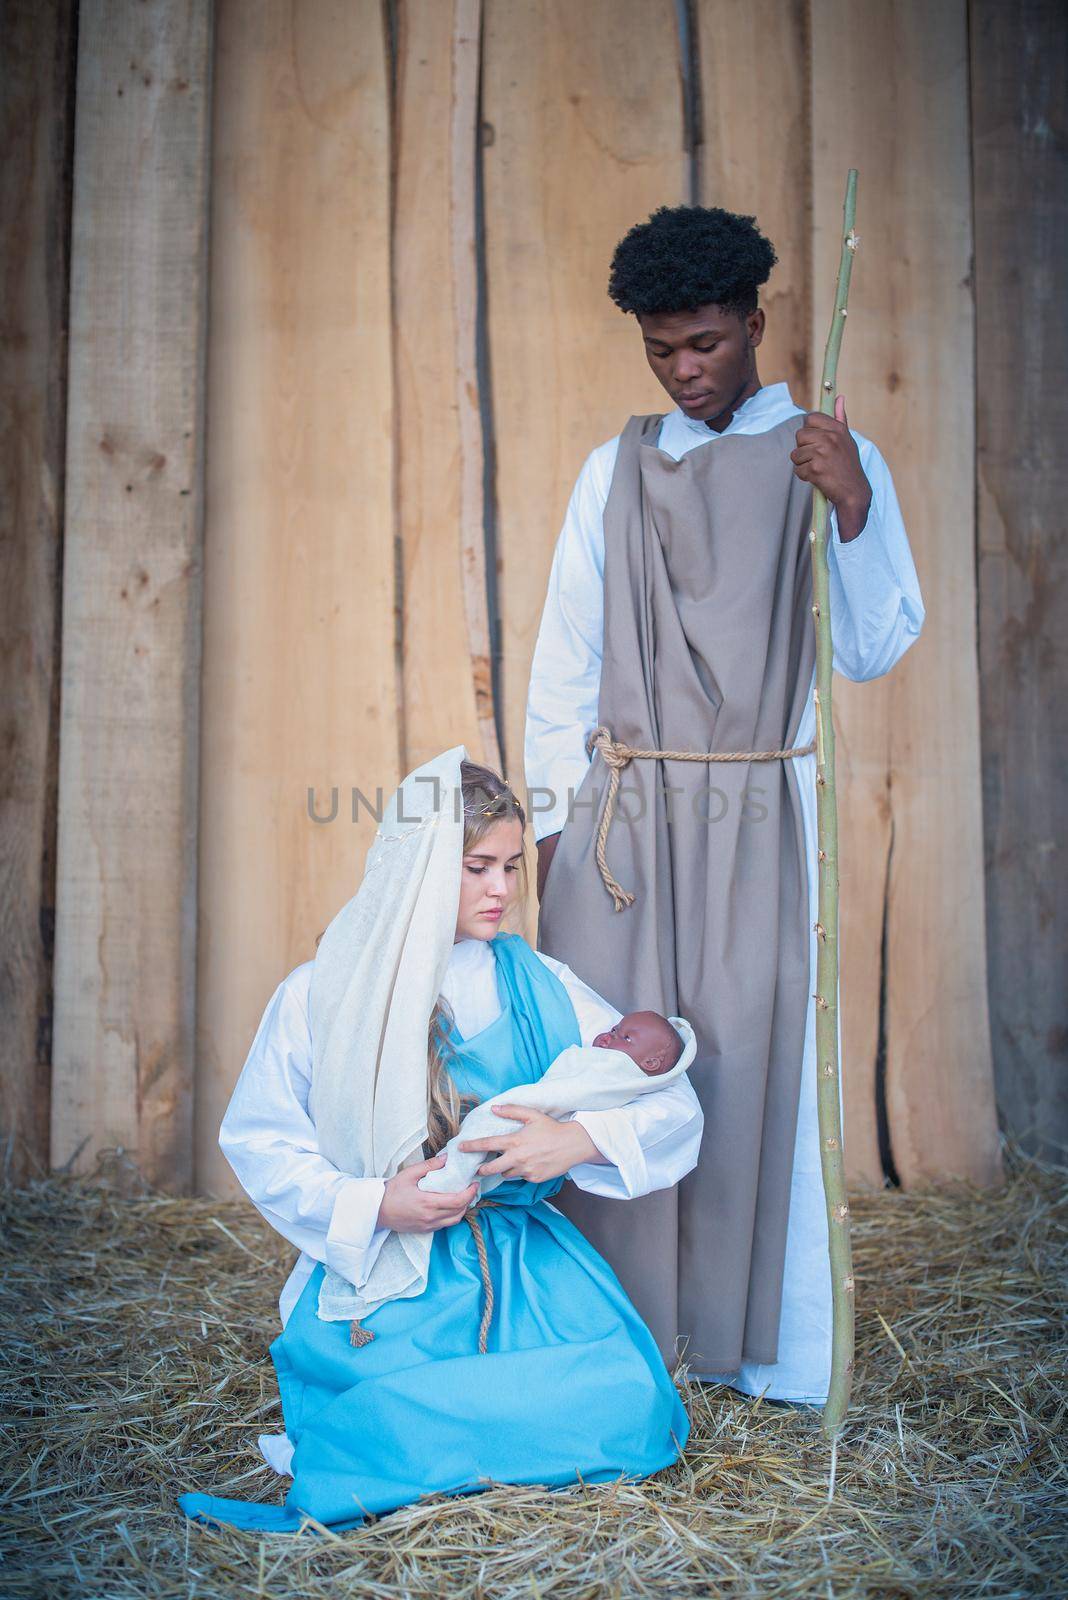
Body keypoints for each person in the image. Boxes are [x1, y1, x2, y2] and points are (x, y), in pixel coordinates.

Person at [526, 205, 925, 1404]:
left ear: (755, 323)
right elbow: (564, 662)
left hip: (757, 813)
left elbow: (871, 645)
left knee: (751, 1070)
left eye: (704, 342)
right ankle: (622, 1346)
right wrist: (555, 836)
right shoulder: (616, 468)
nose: (685, 368)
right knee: (621, 1065)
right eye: (662, 349)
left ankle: (762, 1353)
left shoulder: (824, 452)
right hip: (625, 825)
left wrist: (852, 504)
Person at [179, 749, 702, 1532]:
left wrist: (576, 1140)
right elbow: (261, 1140)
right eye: (476, 867)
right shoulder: (323, 994)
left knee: (629, 1409)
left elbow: (671, 1101)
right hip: (397, 1277)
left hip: (530, 1268)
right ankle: (409, 1435)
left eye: (512, 867)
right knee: (394, 1407)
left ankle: (428, 1445)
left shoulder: (546, 986)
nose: (501, 889)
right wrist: (375, 1203)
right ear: (422, 864)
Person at [420, 1008, 693, 1194]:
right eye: (614, 1029)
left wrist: (577, 1138)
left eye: (625, 1037)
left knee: (489, 1123)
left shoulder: (544, 975)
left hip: (525, 1140)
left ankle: (448, 1181)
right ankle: (449, 1179)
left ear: (651, 1062)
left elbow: (678, 1107)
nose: (610, 1035)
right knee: (486, 1125)